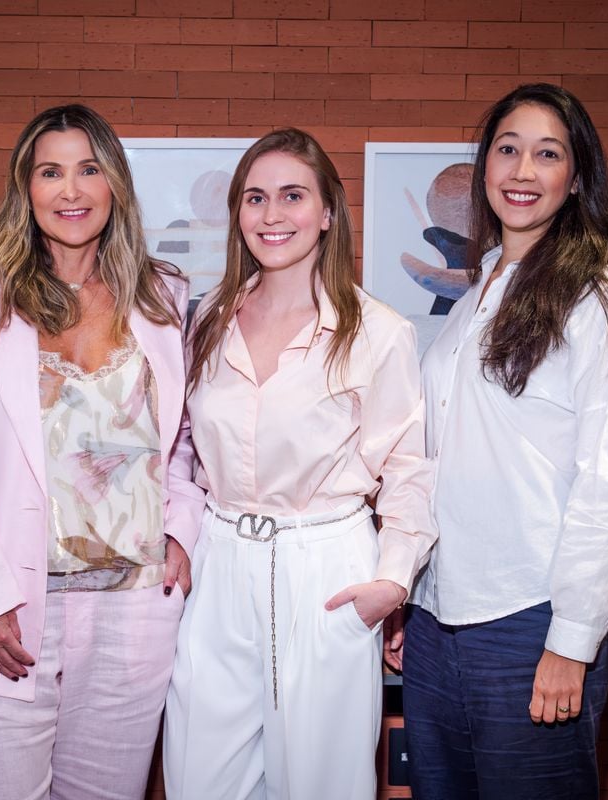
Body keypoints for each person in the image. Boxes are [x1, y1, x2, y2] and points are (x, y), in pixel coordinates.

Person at [0, 104, 203, 800]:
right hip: (7, 615)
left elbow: (189, 440)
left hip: (135, 614)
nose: (71, 191)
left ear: (115, 186)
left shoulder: (165, 295)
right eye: (51, 172)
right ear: (27, 188)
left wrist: (180, 533)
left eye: (89, 169)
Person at [392, 82, 608, 799]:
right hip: (440, 616)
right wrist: (410, 589)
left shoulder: (602, 293)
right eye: (508, 150)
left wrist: (572, 641)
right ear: (484, 168)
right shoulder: (474, 295)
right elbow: (439, 460)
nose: (523, 171)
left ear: (575, 180)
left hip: (530, 616)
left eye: (547, 154)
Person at [162, 128, 437, 800]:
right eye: (255, 198)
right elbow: (184, 446)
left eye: (292, 195)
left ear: (327, 213)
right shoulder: (208, 322)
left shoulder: (377, 332)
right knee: (201, 776)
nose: (272, 214)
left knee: (320, 785)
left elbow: (408, 466)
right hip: (222, 562)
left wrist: (392, 581)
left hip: (325, 569)